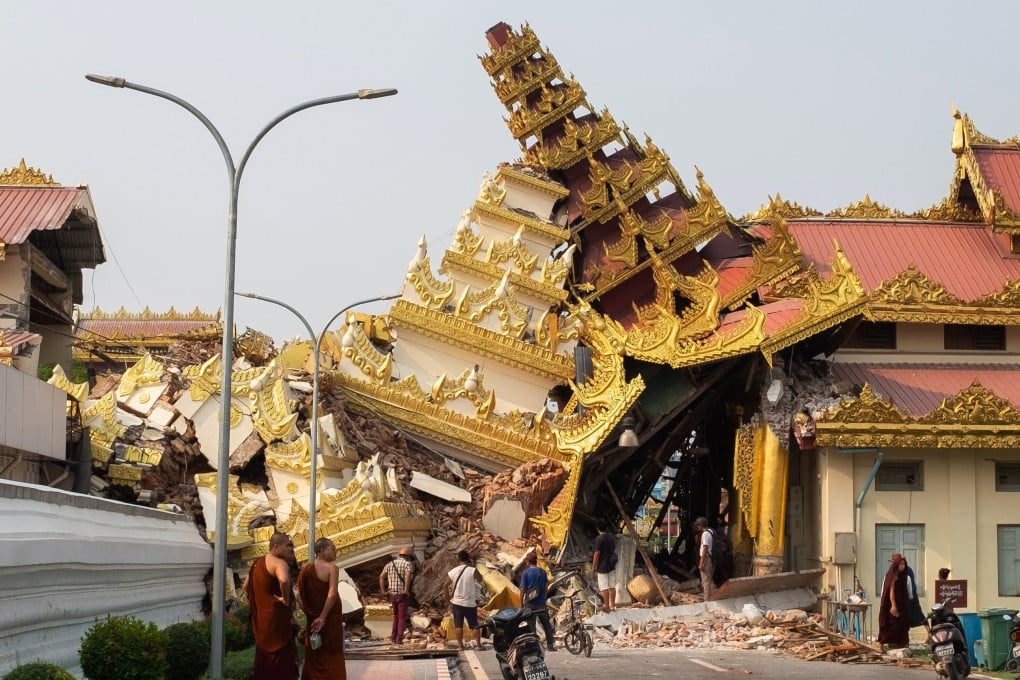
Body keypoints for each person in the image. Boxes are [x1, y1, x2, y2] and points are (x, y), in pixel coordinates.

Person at [244, 531, 299, 680]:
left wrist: (259, 600)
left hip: (262, 621)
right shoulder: (279, 563)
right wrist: (285, 599)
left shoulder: (257, 563)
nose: (289, 549)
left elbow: (245, 586)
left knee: (264, 660)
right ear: (276, 546)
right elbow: (284, 580)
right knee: (282, 662)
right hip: (276, 621)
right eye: (287, 545)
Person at [296, 538, 345, 680]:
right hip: (329, 618)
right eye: (332, 548)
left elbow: (298, 595)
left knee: (314, 652)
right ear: (321, 551)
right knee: (332, 652)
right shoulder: (332, 568)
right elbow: (332, 594)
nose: (335, 550)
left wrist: (310, 614)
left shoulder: (305, 570)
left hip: (313, 620)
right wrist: (322, 617)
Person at [443, 549, 484, 651]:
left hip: (457, 603)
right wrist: (474, 565)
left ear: (458, 559)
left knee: (458, 625)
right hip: (470, 603)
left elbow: (445, 586)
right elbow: (480, 579)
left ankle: (461, 646)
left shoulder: (453, 571)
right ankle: (478, 645)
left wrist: (448, 600)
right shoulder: (472, 570)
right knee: (474, 625)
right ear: (468, 558)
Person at [519, 552, 556, 651]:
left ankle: (533, 646)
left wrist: (521, 603)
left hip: (530, 603)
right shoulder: (542, 572)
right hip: (541, 603)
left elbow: (523, 589)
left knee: (531, 625)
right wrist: (543, 597)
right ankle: (550, 645)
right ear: (536, 561)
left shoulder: (525, 573)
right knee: (546, 624)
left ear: (527, 561)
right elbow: (546, 587)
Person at [379, 546, 415, 645]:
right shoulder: (407, 564)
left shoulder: (389, 564)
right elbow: (408, 576)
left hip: (392, 594)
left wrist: (383, 591)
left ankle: (393, 638)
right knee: (402, 617)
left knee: (396, 617)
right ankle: (399, 639)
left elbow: (381, 577)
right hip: (401, 594)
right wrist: (406, 590)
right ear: (407, 556)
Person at [878, 554, 910, 651]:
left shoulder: (904, 576)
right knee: (889, 625)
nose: (902, 566)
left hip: (902, 605)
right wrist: (893, 605)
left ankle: (902, 644)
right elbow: (891, 591)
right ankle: (881, 646)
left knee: (902, 624)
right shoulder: (892, 575)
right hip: (891, 605)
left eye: (903, 564)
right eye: (900, 564)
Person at [591, 518, 617, 612]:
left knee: (604, 587)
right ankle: (613, 605)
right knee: (612, 586)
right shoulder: (611, 538)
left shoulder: (599, 539)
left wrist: (593, 567)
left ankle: (606, 605)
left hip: (602, 566)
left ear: (598, 528)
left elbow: (597, 554)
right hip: (612, 564)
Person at [693, 517, 715, 601]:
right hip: (710, 558)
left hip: (706, 558)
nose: (697, 528)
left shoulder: (705, 534)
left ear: (700, 525)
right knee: (709, 579)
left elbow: (705, 548)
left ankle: (707, 600)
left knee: (705, 580)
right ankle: (714, 597)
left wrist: (701, 562)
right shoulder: (711, 532)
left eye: (697, 525)